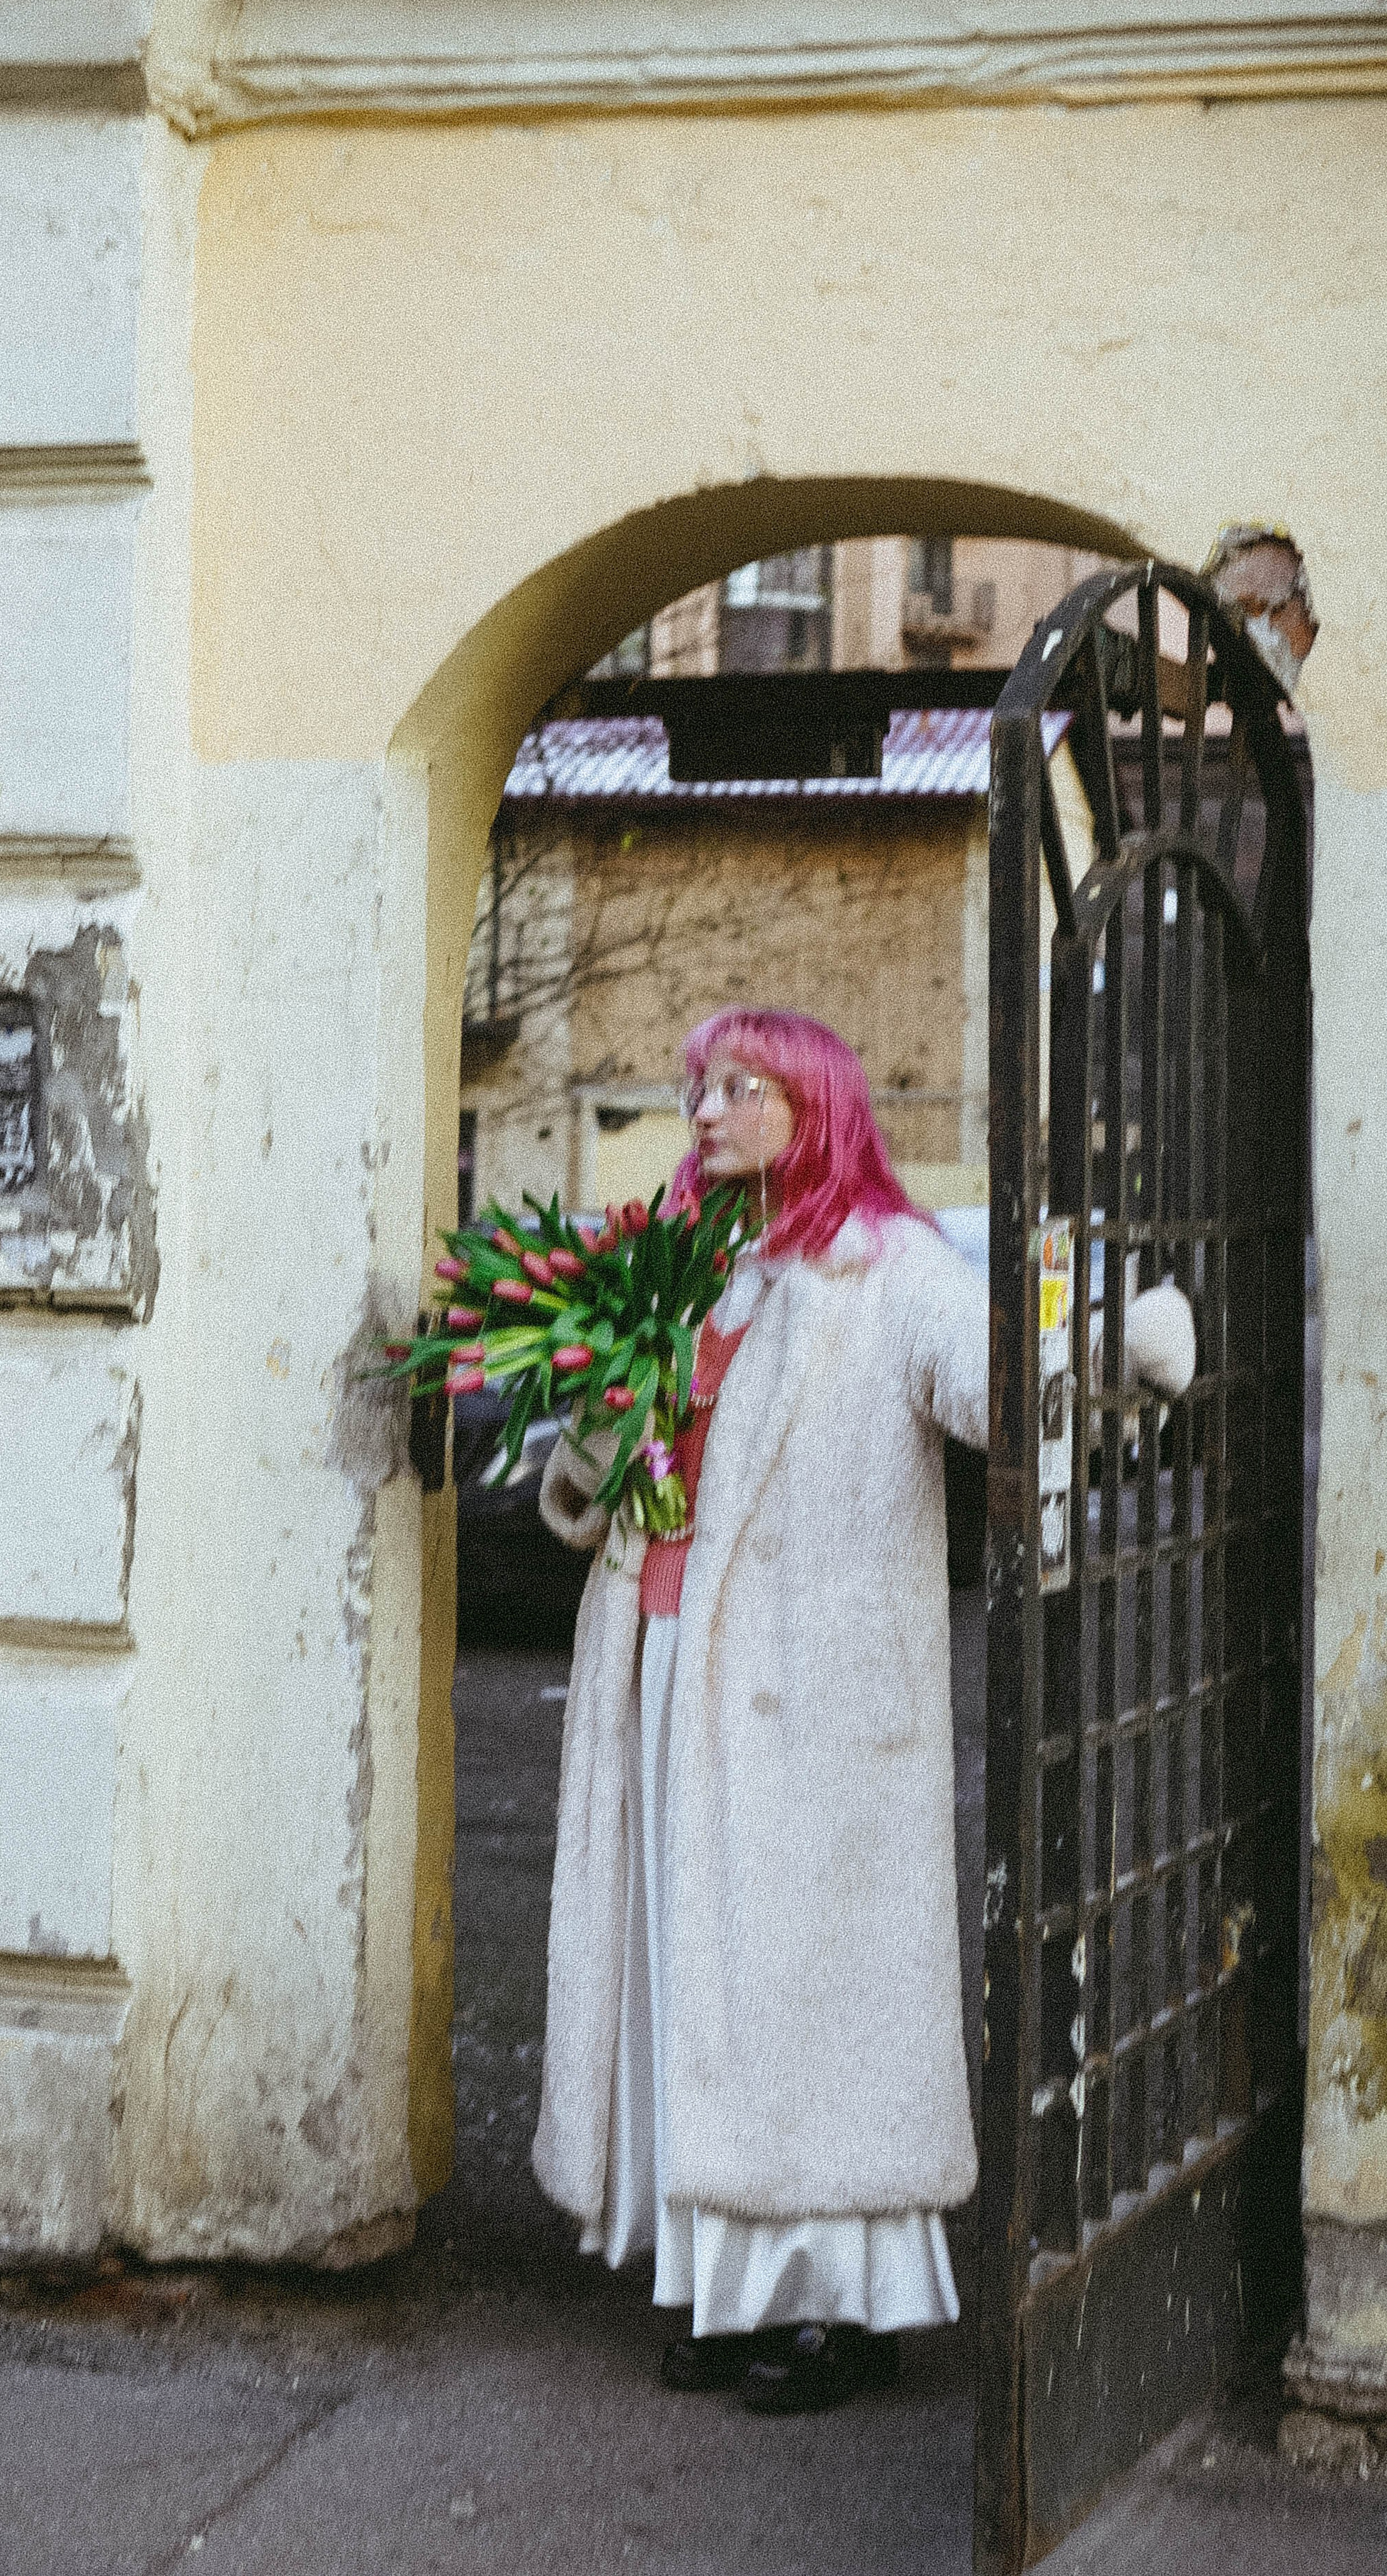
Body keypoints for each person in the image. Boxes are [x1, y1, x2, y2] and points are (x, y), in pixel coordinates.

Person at [532, 1009, 987, 2416]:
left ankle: (847, 2312)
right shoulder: (694, 1272)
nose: (708, 1107)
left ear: (816, 1103)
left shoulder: (887, 1269)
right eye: (699, 1085)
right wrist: (608, 1400)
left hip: (815, 1703)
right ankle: (729, 2293)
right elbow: (607, 1475)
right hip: (670, 1663)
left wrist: (1096, 1341)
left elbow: (990, 1386)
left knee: (814, 1998)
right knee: (696, 1977)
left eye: (740, 1085)